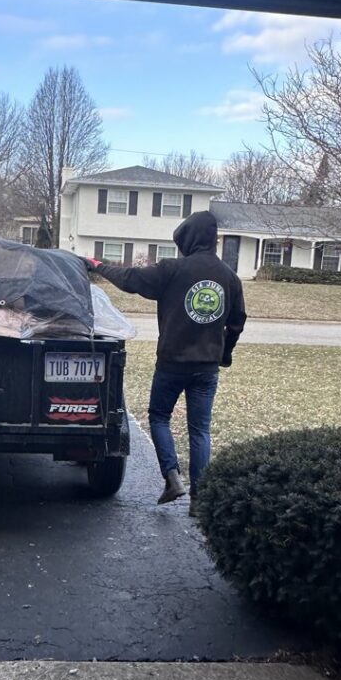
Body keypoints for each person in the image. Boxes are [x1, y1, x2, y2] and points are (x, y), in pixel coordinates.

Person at [84, 210, 246, 513]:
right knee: (200, 430)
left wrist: (98, 266)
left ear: (187, 239)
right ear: (212, 239)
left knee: (159, 417)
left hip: (172, 364)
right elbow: (237, 322)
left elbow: (131, 279)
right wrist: (225, 353)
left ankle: (172, 477)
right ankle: (199, 498)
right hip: (207, 368)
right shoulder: (229, 277)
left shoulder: (172, 269)